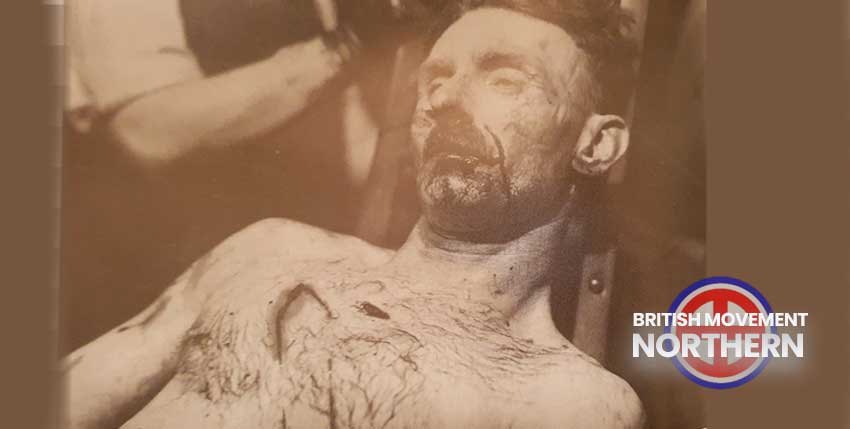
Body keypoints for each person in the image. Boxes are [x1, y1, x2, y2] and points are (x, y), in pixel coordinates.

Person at [63, 1, 644, 427]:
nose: (444, 99)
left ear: (596, 146)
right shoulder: (268, 253)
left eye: (504, 79)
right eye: (435, 79)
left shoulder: (569, 400)